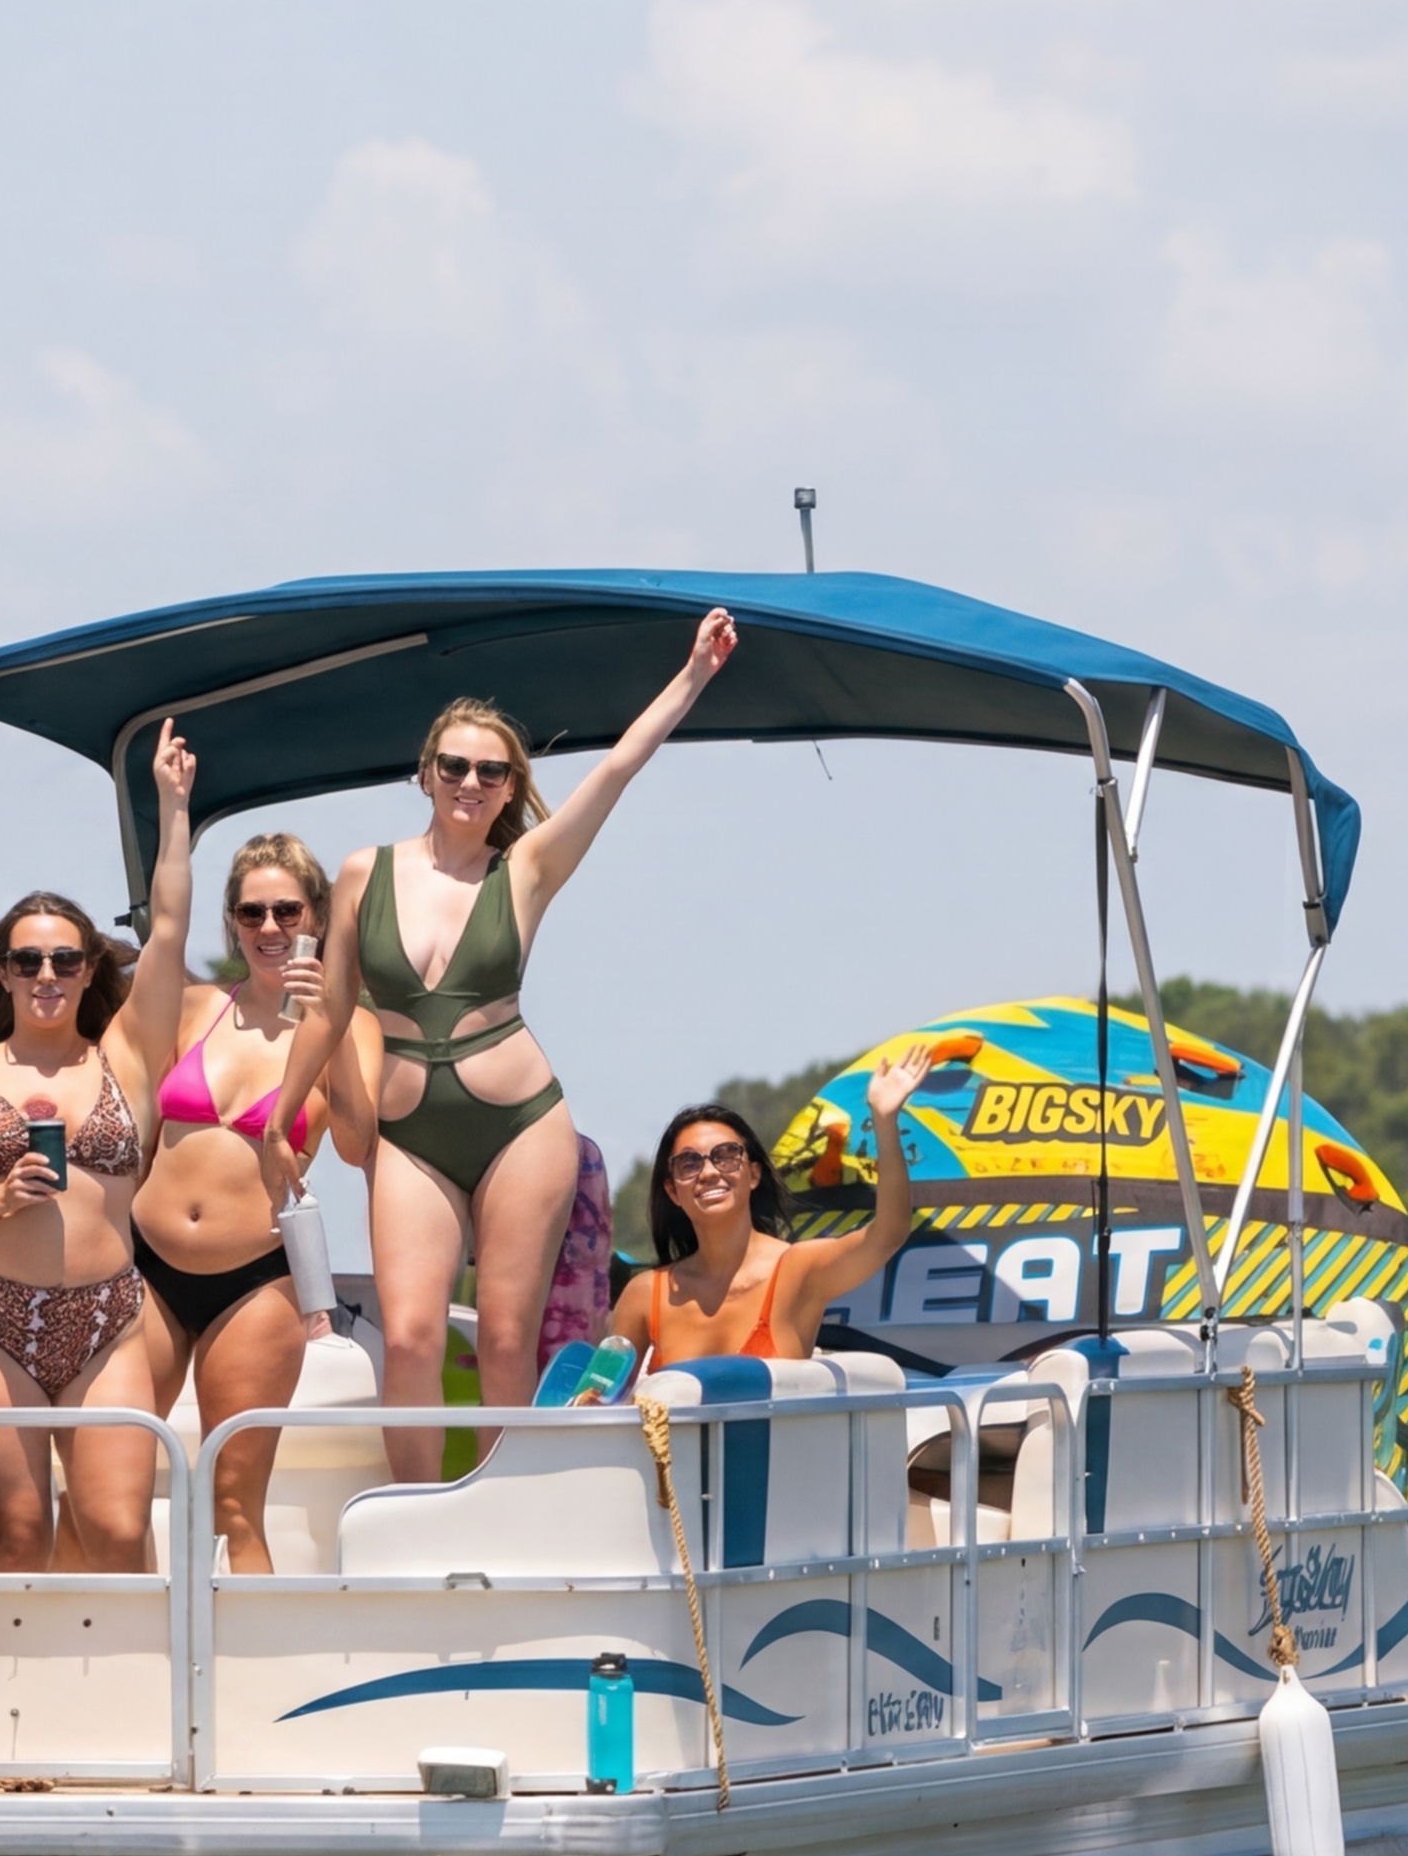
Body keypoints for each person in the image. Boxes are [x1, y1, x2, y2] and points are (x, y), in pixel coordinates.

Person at [278, 610, 740, 1472]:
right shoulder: (362, 872)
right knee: (410, 1337)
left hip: (522, 1122)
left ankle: (497, 1507)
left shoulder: (525, 870)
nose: (472, 781)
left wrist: (694, 675)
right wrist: (282, 1113)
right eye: (454, 765)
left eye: (492, 771)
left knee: (503, 1338)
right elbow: (331, 1006)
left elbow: (618, 768)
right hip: (408, 1133)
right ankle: (409, 1520)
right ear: (425, 774)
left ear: (507, 784)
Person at [0, 818, 185, 1573]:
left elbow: (171, 931)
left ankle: (134, 1686)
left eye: (64, 958)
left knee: (118, 1530)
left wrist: (172, 810)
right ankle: (16, 1692)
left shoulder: (127, 1057)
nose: (46, 974)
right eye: (28, 960)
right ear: (5, 974)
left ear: (90, 970)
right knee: (18, 1536)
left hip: (109, 1315)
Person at [130, 755, 341, 1572]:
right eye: (251, 910)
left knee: (231, 1506)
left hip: (255, 1278)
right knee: (104, 1481)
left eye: (287, 909)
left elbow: (357, 1141)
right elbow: (164, 926)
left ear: (315, 915)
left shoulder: (339, 1026)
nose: (269, 926)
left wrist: (330, 1015)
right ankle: (121, 1665)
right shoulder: (190, 1006)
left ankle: (253, 1683)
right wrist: (174, 808)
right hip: (145, 1265)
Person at [602, 1055, 940, 1369]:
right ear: (673, 1191)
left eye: (726, 1155)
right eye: (689, 1163)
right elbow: (597, 1399)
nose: (708, 1172)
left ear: (753, 1174)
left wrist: (884, 1118)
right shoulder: (644, 1295)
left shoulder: (799, 1271)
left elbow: (888, 1234)